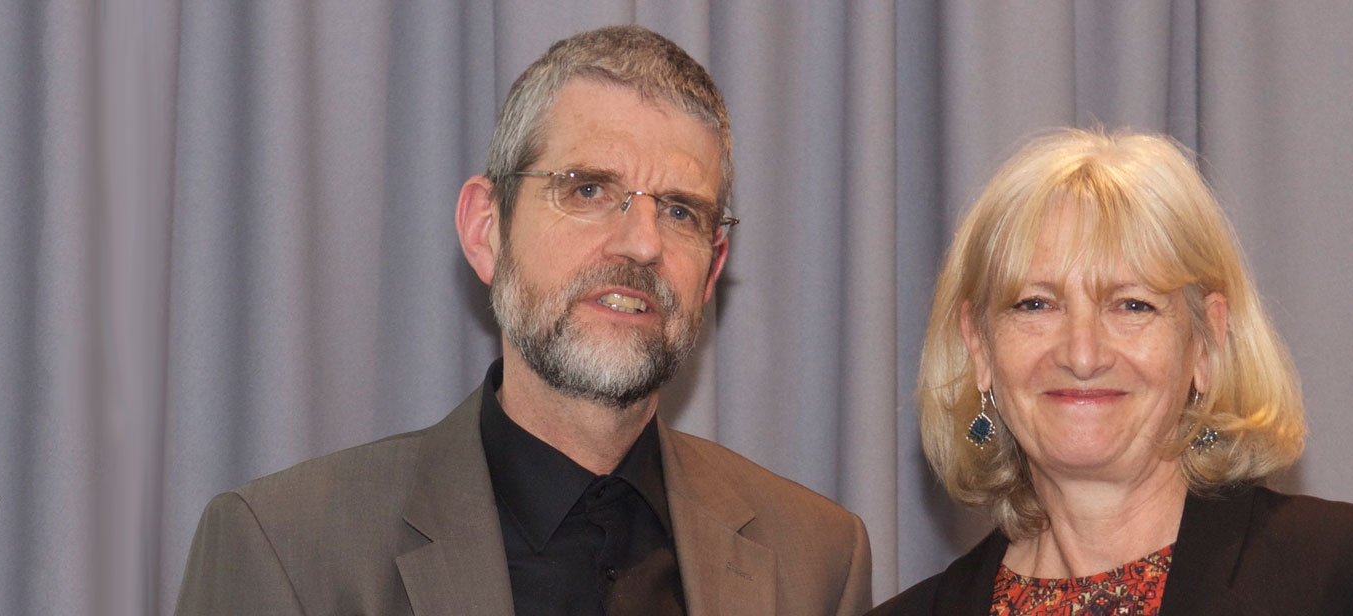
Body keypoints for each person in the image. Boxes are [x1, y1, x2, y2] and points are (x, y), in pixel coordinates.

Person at [176, 26, 871, 616]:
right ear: (486, 230)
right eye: (589, 189)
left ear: (713, 268)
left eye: (680, 210)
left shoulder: (814, 560)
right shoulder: (286, 551)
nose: (641, 242)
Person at [869, 129, 1353, 615]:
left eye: (1131, 305)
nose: (1082, 353)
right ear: (979, 347)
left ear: (1205, 341)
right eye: (1035, 305)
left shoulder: (1352, 579)